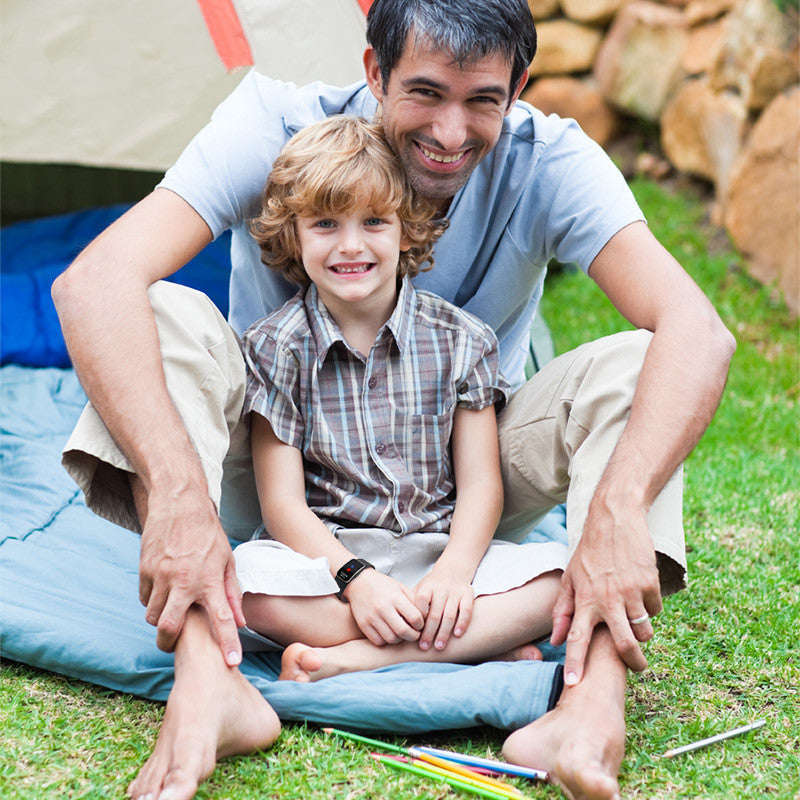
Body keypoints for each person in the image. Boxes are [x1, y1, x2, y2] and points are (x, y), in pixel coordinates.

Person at [52, 1, 736, 799]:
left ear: (518, 87)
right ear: (373, 71)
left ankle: (592, 703)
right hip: (279, 482)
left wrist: (617, 507)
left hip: (459, 477)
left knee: (642, 362)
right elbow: (95, 282)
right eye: (425, 92)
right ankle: (211, 678)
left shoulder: (551, 161)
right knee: (161, 313)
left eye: (483, 99)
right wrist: (174, 496)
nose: (451, 132)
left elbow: (699, 330)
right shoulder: (274, 121)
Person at [234, 115, 568, 681]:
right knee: (241, 587)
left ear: (407, 228)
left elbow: (482, 482)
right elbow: (283, 506)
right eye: (324, 224)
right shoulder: (275, 348)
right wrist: (354, 578)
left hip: (438, 550)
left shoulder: (463, 340)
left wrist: (456, 574)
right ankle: (475, 642)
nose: (350, 245)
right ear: (292, 235)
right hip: (329, 562)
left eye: (373, 221)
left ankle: (347, 659)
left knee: (560, 581)